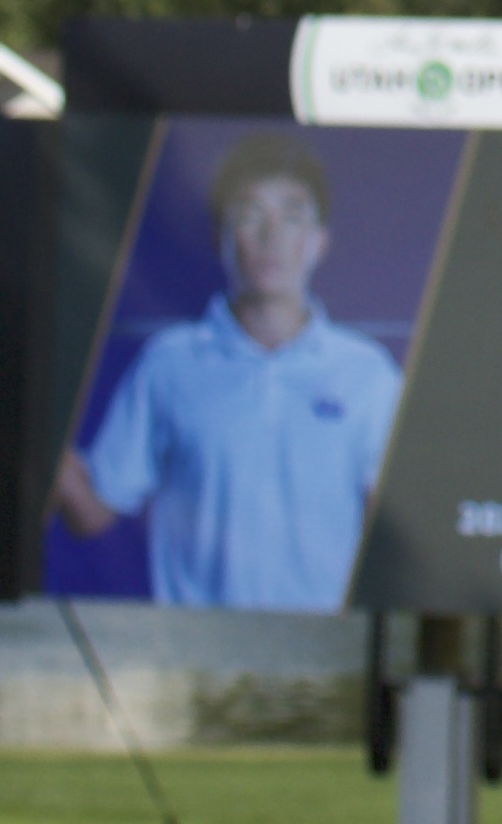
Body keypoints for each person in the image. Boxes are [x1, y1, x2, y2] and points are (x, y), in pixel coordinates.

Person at [52, 130, 403, 610]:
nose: (271, 235)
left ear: (319, 242)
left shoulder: (368, 376)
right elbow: (92, 510)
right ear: (222, 237)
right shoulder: (170, 363)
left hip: (325, 649)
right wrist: (27, 439)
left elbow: (402, 536)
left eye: (292, 215)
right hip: (193, 650)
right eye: (250, 214)